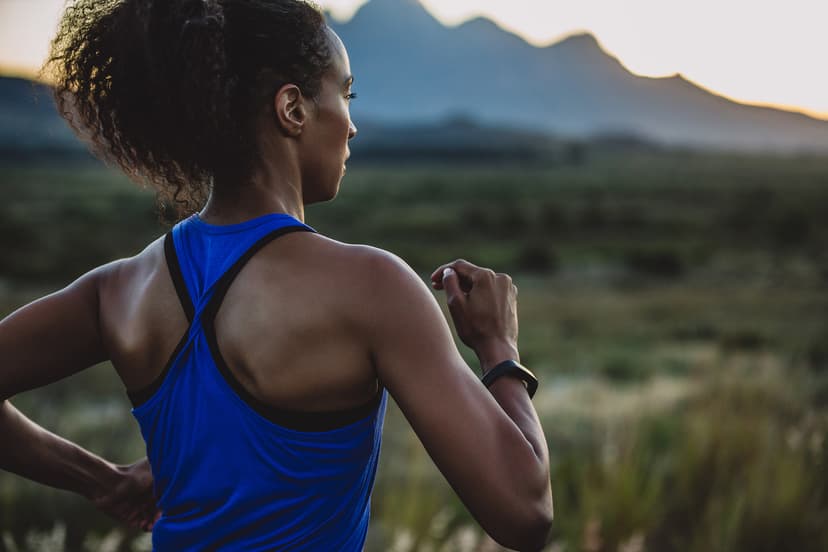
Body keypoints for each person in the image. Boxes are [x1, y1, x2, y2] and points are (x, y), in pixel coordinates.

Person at [0, 0, 553, 549]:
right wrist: (498, 347)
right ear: (292, 108)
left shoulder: (119, 288)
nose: (353, 125)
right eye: (346, 92)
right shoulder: (369, 287)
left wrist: (103, 482)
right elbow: (524, 514)